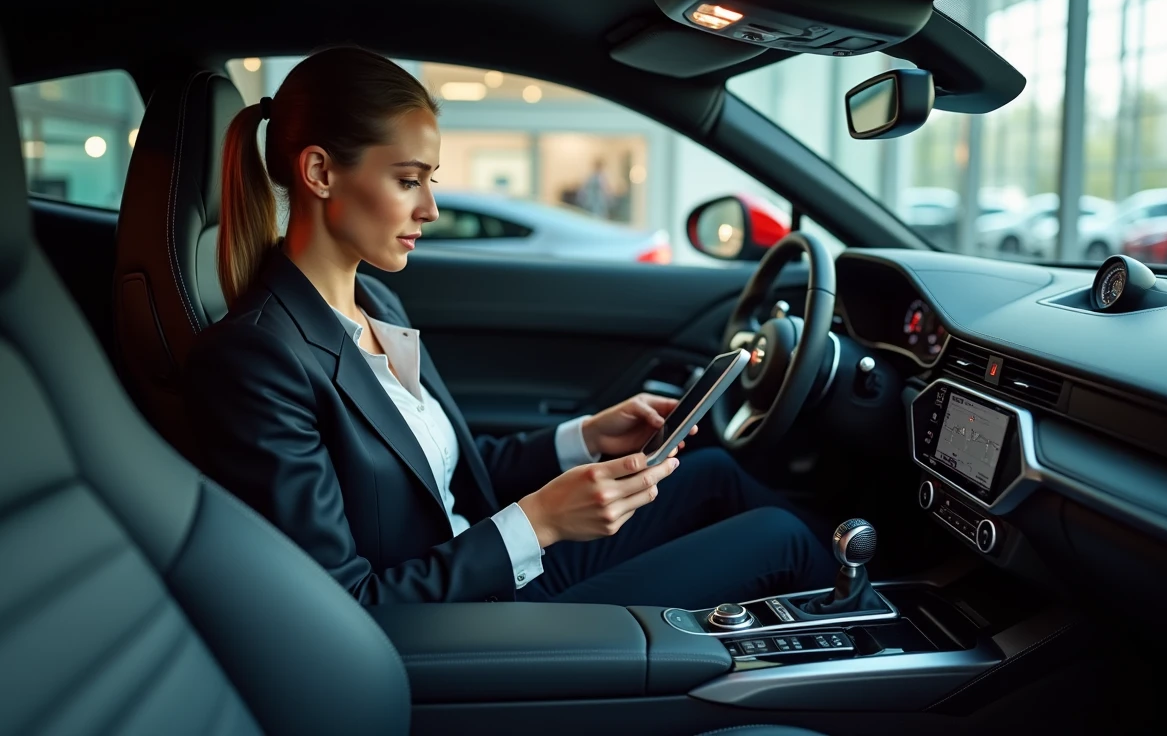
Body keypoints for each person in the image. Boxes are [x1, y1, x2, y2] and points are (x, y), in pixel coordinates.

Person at [185, 46, 835, 609]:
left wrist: (584, 437)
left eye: (430, 181)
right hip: (466, 625)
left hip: (492, 568)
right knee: (778, 538)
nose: (431, 208)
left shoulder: (374, 302)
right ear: (321, 172)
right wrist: (540, 522)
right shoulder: (258, 358)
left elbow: (439, 474)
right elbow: (347, 603)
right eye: (408, 180)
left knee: (715, 473)